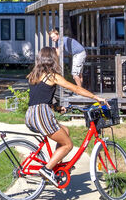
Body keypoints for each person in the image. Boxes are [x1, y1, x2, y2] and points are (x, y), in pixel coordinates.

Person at [26, 46, 107, 177]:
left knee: (65, 131)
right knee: (68, 145)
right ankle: (47, 170)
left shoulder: (34, 76)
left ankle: (56, 168)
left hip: (30, 114)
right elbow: (75, 88)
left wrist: (57, 108)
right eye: (56, 56)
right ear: (52, 59)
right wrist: (95, 97)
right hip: (41, 114)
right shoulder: (51, 76)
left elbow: (40, 97)